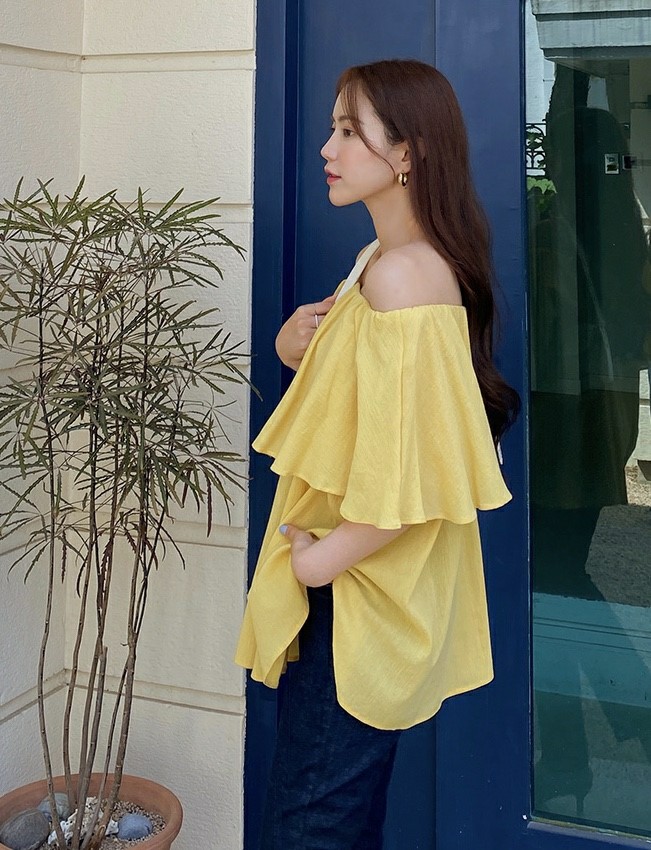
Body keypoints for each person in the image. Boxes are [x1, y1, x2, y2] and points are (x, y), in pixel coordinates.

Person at [235, 59, 519, 849]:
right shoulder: (378, 264)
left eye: (348, 130)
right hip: (352, 586)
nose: (328, 149)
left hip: (359, 594)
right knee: (336, 817)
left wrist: (314, 566)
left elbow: (412, 479)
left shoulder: (403, 278)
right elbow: (369, 411)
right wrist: (292, 347)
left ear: (406, 152)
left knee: (309, 824)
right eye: (332, 127)